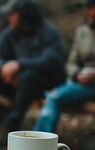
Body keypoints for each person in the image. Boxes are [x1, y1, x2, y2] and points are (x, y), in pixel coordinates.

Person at [0, 0, 65, 147]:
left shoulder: (49, 32)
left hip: (45, 83)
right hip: (15, 82)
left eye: (12, 14)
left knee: (29, 77)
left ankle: (9, 128)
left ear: (25, 15)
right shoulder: (10, 33)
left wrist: (20, 65)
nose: (8, 17)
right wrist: (4, 67)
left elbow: (50, 60)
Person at [34, 0, 95, 133]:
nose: (88, 12)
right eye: (87, 8)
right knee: (52, 96)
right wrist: (76, 74)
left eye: (91, 8)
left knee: (55, 97)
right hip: (83, 84)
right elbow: (71, 62)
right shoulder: (82, 32)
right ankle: (41, 139)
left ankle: (40, 143)